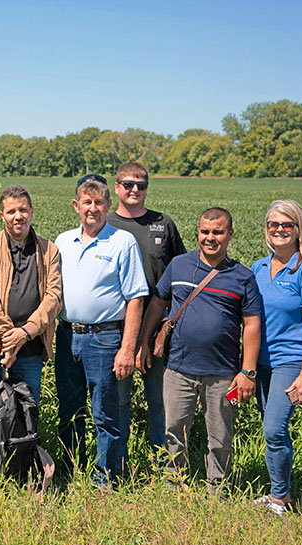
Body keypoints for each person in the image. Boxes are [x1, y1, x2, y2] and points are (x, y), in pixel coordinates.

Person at [138, 208, 263, 491]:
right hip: (178, 368)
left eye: (218, 232)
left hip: (224, 374)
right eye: (205, 231)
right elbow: (158, 304)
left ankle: (218, 488)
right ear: (197, 232)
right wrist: (145, 341)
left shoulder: (242, 277)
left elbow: (252, 326)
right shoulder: (179, 265)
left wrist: (247, 371)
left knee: (220, 435)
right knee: (173, 430)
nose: (210, 238)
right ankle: (174, 484)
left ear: (230, 234)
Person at [54, 174, 148, 486]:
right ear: (75, 206)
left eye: (98, 202)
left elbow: (135, 297)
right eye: (86, 202)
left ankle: (105, 478)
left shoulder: (122, 241)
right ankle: (70, 470)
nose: (92, 208)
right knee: (69, 408)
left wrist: (127, 348)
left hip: (105, 338)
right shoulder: (63, 242)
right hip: (67, 335)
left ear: (108, 205)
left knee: (105, 412)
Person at [250, 200, 302, 515]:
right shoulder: (258, 267)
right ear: (267, 229)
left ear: (298, 229)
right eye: (274, 225)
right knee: (273, 428)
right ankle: (279, 493)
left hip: (290, 361)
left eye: (287, 225)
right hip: (260, 362)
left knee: (273, 428)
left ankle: (279, 500)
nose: (280, 230)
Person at [107, 162, 186, 459]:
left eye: (141, 185)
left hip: (158, 329)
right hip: (116, 328)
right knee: (119, 401)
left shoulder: (163, 223)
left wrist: (171, 321)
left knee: (161, 401)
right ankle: (119, 463)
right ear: (117, 187)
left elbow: (181, 271)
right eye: (128, 184)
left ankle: (164, 465)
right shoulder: (106, 223)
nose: (134, 190)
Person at [0, 184, 62, 436]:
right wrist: (10, 337)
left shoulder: (49, 250)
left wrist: (25, 333)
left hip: (31, 346)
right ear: (2, 215)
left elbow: (53, 297)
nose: (18, 216)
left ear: (32, 211)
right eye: (11, 211)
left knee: (27, 409)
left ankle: (24, 467)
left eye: (23, 210)